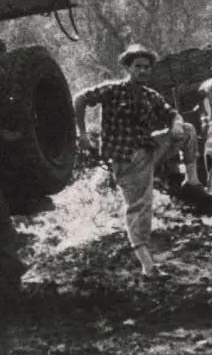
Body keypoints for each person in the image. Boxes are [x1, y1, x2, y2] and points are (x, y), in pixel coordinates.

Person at [73, 43, 205, 276]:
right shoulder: (112, 89)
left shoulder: (149, 95)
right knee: (140, 208)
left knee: (187, 129)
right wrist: (82, 134)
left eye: (147, 67)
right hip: (127, 159)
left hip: (149, 149)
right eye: (138, 67)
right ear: (128, 67)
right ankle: (148, 266)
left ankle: (191, 182)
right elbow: (80, 99)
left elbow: (171, 112)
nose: (143, 71)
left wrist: (174, 123)